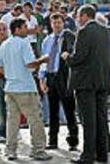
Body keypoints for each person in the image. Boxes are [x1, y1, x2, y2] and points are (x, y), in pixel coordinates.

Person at [63, 5, 110, 164]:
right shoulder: (105, 31)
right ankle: (102, 154)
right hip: (102, 81)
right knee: (101, 118)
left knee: (88, 120)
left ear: (85, 16)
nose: (77, 19)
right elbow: (109, 56)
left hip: (85, 83)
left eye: (78, 16)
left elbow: (79, 57)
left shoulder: (84, 32)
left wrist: (67, 57)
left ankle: (87, 156)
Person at [0, 18, 52, 161]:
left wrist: (11, 74)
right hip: (25, 87)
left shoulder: (4, 44)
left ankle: (10, 151)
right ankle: (38, 150)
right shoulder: (24, 43)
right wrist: (43, 60)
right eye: (24, 27)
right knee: (35, 119)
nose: (27, 29)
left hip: (10, 87)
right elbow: (30, 65)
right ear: (17, 29)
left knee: (12, 121)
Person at [39, 12, 79, 151]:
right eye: (54, 23)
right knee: (53, 111)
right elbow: (43, 61)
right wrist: (42, 78)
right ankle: (53, 141)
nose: (56, 25)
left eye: (59, 23)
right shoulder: (47, 40)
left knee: (69, 110)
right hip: (51, 77)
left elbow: (73, 51)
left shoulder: (68, 37)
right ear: (51, 24)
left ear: (63, 23)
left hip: (63, 77)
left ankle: (73, 141)